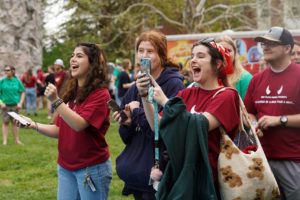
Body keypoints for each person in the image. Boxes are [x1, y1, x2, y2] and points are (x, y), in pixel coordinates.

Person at [136, 39, 240, 199]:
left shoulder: (227, 95)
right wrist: (144, 97)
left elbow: (199, 125)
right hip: (180, 173)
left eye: (200, 56)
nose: (193, 60)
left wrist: (165, 101)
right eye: (192, 56)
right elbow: (157, 125)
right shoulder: (186, 93)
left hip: (208, 179)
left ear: (218, 64)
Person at [14, 43, 113, 200]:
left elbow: (79, 124)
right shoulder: (72, 93)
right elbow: (60, 130)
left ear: (92, 63)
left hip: (91, 168)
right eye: (72, 55)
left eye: (79, 56)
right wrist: (33, 124)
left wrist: (55, 101)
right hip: (66, 167)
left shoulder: (100, 94)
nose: (73, 59)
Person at [113, 30, 185, 200]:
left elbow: (162, 131)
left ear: (161, 54)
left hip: (160, 171)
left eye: (150, 51)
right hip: (137, 169)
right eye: (140, 51)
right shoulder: (134, 87)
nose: (144, 56)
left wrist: (137, 111)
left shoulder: (174, 83)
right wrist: (126, 123)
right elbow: (126, 138)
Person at [244, 27, 300, 199]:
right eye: (264, 43)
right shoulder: (257, 79)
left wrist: (280, 120)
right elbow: (248, 112)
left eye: (272, 43)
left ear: (287, 49)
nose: (265, 47)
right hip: (262, 159)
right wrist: (253, 125)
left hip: (293, 159)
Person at [0, 65, 25, 145]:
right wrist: (1, 103)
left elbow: (22, 92)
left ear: (13, 71)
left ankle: (17, 140)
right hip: (5, 106)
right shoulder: (2, 81)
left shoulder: (17, 81)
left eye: (8, 70)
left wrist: (20, 103)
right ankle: (5, 141)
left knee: (14, 123)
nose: (6, 72)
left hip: (15, 106)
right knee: (5, 123)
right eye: (5, 70)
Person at [51, 58, 69, 124]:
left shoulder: (64, 74)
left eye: (56, 64)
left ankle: (52, 124)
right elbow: (56, 84)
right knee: (57, 108)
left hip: (64, 94)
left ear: (60, 65)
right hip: (58, 93)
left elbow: (68, 84)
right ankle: (57, 123)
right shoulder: (55, 74)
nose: (54, 65)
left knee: (57, 108)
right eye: (54, 64)